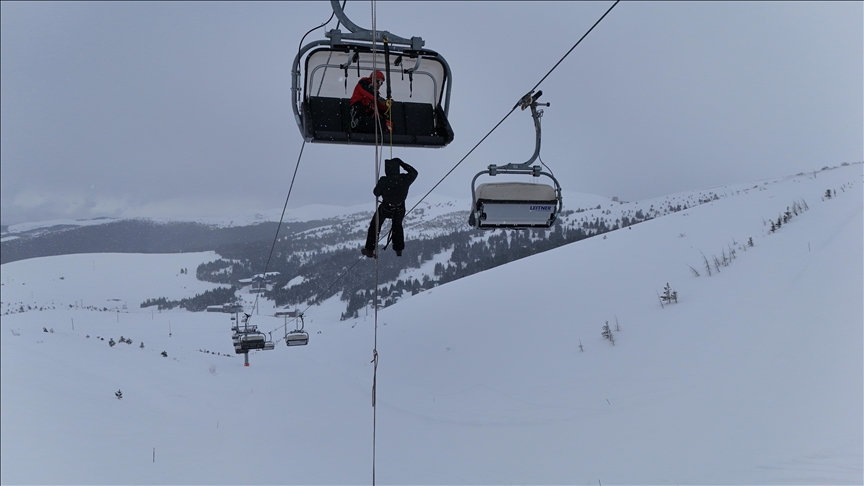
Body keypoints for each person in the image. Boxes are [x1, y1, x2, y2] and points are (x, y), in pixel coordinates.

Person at [362, 158, 418, 258]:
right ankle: (398, 249)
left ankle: (370, 248)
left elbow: (376, 193)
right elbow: (414, 172)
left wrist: (382, 186)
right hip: (399, 209)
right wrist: (401, 163)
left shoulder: (384, 181)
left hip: (386, 208)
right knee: (397, 226)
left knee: (375, 225)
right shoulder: (404, 179)